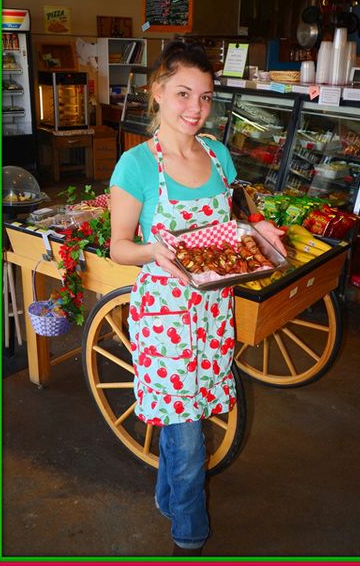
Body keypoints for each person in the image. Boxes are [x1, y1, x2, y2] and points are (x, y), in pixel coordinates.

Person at [109, 40, 285, 556]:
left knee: (187, 413)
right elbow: (120, 248)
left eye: (206, 98)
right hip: (165, 317)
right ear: (157, 93)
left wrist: (259, 229)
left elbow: (233, 219)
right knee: (186, 435)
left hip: (212, 311)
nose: (195, 108)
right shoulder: (136, 165)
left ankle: (167, 497)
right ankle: (190, 532)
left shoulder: (217, 153)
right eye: (183, 93)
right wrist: (153, 252)